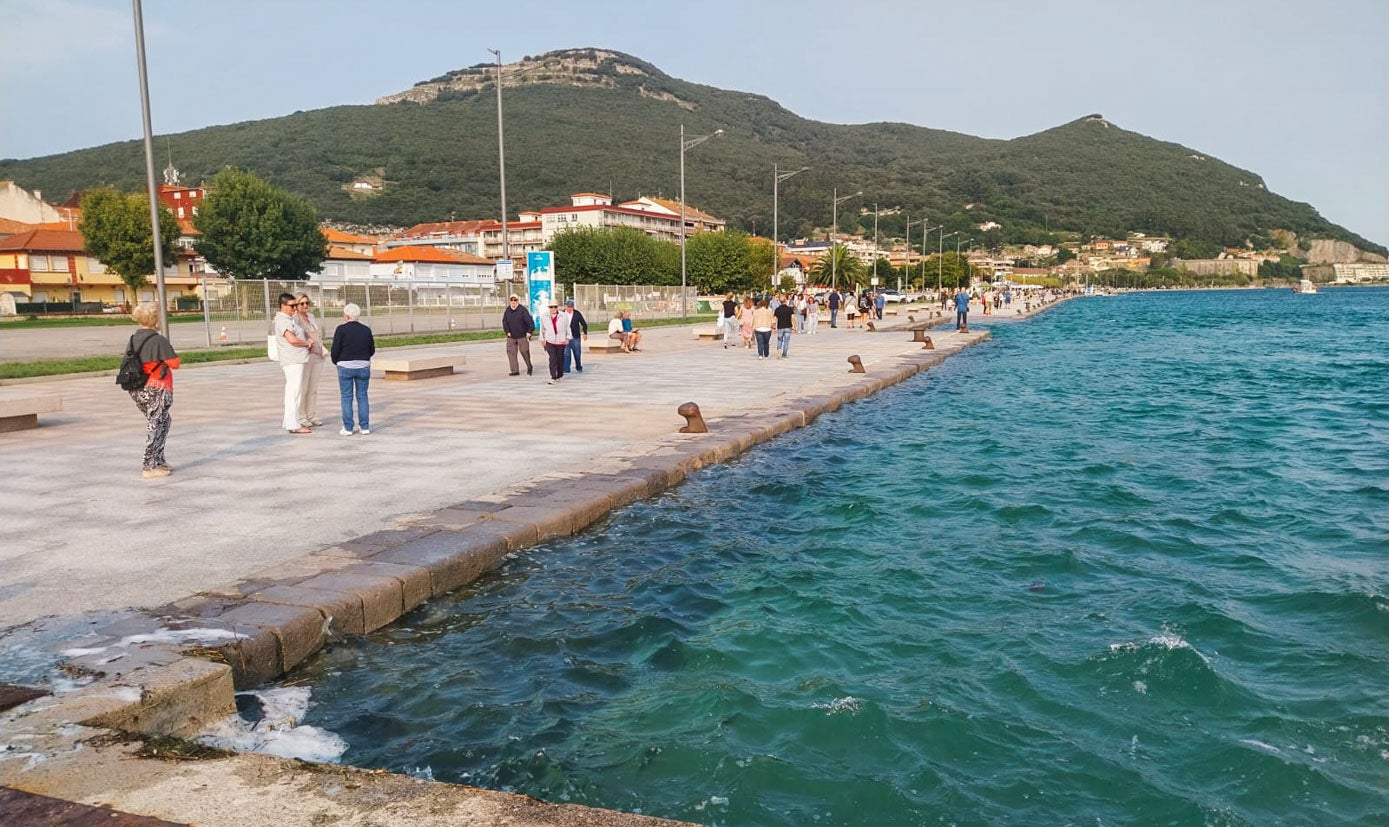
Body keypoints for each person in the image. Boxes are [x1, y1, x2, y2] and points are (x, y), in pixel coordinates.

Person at [125, 303, 180, 478]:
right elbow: (175, 363)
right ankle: (149, 466)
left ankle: (158, 460)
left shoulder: (134, 338)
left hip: (137, 388)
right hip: (157, 387)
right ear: (155, 320)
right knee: (156, 423)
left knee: (164, 421)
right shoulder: (158, 340)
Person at [330, 302, 374, 436]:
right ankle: (365, 427)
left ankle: (348, 428)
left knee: (346, 396)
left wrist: (336, 361)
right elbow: (371, 349)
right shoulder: (366, 329)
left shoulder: (341, 329)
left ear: (346, 316)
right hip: (363, 365)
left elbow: (335, 348)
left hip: (345, 365)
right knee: (362, 396)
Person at [273, 292, 314, 434]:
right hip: (293, 360)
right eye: (292, 306)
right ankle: (293, 424)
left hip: (297, 359)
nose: (295, 308)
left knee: (292, 391)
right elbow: (292, 340)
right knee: (294, 392)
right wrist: (306, 343)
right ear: (283, 306)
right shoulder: (283, 320)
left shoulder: (288, 319)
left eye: (296, 305)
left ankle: (289, 421)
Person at [294, 292, 326, 428]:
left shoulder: (311, 317)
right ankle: (301, 417)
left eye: (307, 303)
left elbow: (317, 334)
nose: (305, 305)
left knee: (313, 388)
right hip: (305, 356)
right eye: (302, 303)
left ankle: (311, 415)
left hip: (317, 355)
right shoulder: (295, 319)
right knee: (303, 388)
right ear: (296, 305)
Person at [501, 294, 534, 376]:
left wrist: (529, 332)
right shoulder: (507, 310)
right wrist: (507, 331)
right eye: (511, 300)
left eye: (515, 300)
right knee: (511, 353)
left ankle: (529, 366)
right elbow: (505, 322)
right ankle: (514, 370)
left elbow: (530, 322)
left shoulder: (522, 310)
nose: (513, 302)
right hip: (511, 336)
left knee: (524, 351)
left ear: (518, 301)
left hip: (522, 335)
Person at [539, 300, 570, 383]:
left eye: (555, 307)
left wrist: (568, 338)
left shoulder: (563, 316)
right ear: (549, 308)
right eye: (551, 307)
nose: (553, 309)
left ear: (557, 307)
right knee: (552, 359)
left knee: (560, 359)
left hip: (561, 341)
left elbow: (568, 328)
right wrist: (542, 339)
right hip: (550, 341)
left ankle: (560, 374)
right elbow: (542, 329)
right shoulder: (544, 316)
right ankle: (553, 376)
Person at [562, 298, 588, 374]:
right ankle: (566, 368)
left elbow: (583, 324)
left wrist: (585, 333)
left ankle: (578, 366)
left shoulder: (577, 314)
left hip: (575, 336)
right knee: (566, 354)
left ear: (573, 307)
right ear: (565, 307)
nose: (569, 309)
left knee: (577, 353)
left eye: (571, 307)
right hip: (565, 337)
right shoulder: (562, 314)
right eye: (568, 307)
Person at [773, 294, 796, 358]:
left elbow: (775, 319)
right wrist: (795, 327)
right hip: (788, 327)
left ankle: (779, 352)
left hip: (780, 327)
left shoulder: (777, 309)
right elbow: (793, 318)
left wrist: (774, 327)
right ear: (785, 301)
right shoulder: (789, 309)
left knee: (779, 340)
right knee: (786, 341)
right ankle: (784, 354)